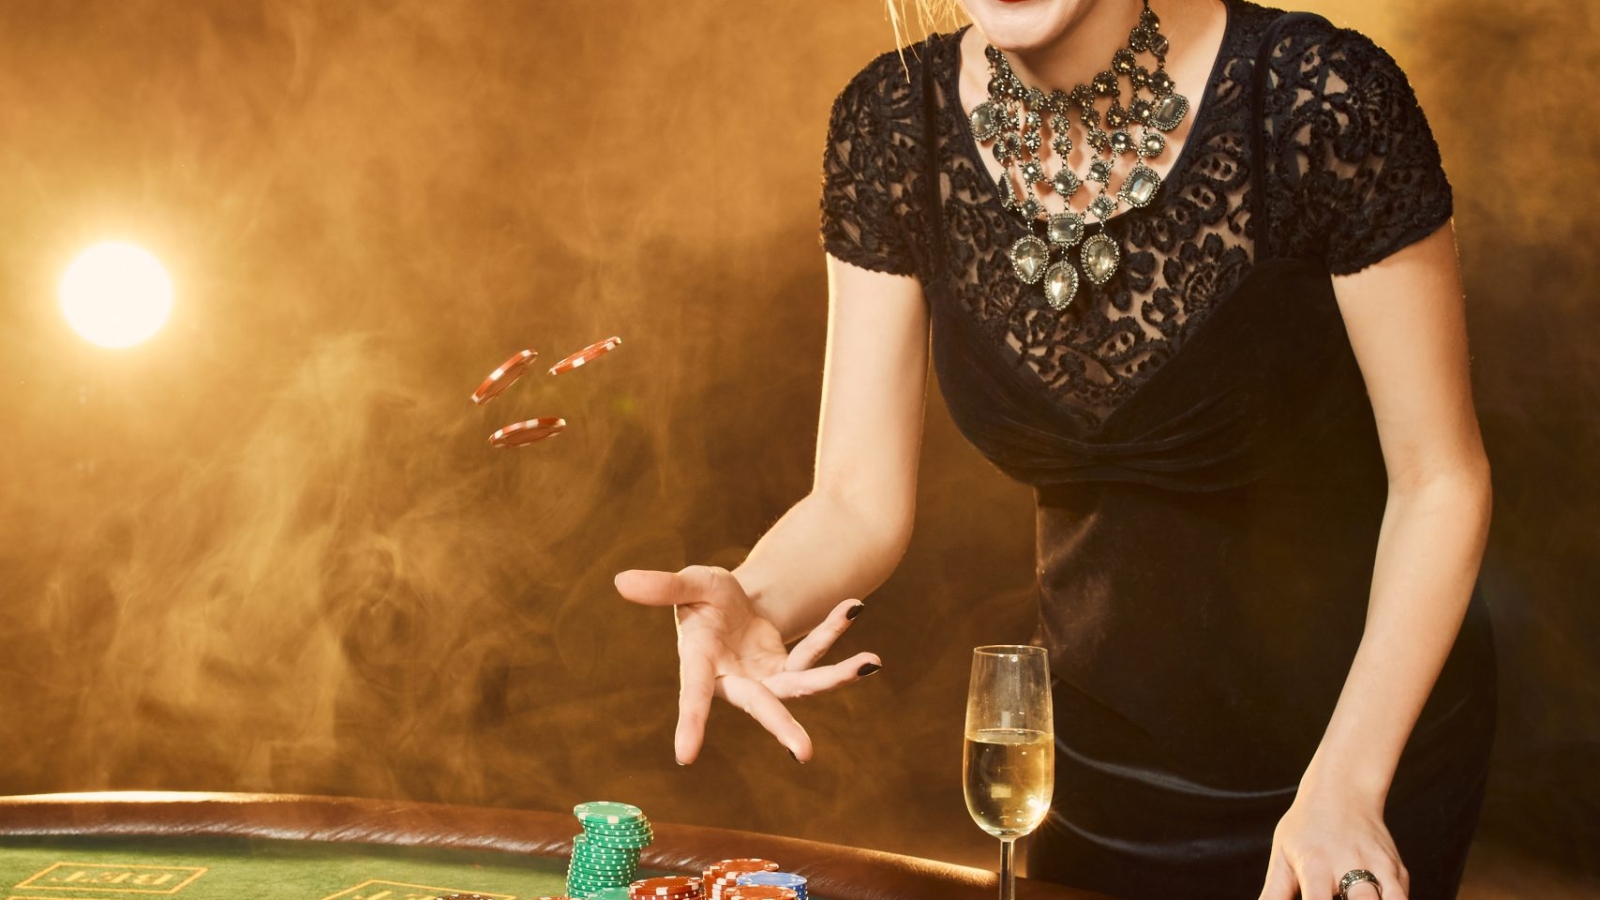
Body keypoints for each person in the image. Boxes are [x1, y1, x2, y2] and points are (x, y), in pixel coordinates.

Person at [616, 0, 1498, 898]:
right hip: (1090, 766)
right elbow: (853, 498)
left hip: (1362, 746)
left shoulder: (1321, 95)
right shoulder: (893, 121)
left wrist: (1348, 784)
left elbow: (1441, 482)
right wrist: (756, 595)